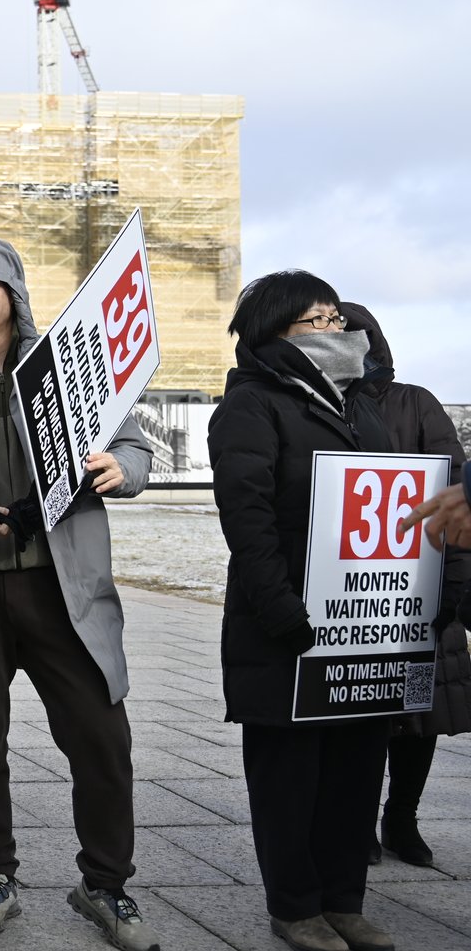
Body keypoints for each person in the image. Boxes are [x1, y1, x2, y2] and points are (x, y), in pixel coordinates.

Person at [0, 238, 159, 950]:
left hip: (64, 586)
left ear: (13, 290)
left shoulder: (68, 361)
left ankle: (106, 884)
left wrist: (120, 468)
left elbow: (137, 449)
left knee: (102, 739)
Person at [207, 271, 395, 951]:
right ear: (274, 331)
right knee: (289, 777)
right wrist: (279, 607)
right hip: (285, 624)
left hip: (360, 625)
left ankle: (344, 901)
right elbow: (247, 518)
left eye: (336, 318)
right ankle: (295, 907)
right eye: (316, 320)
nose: (334, 330)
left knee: (356, 771)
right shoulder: (251, 405)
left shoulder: (359, 405)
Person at [340, 302, 471, 868]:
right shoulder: (317, 406)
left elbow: (453, 488)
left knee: (420, 717)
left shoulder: (415, 402)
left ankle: (402, 818)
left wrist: (453, 590)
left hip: (422, 584)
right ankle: (357, 822)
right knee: (356, 716)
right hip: (352, 592)